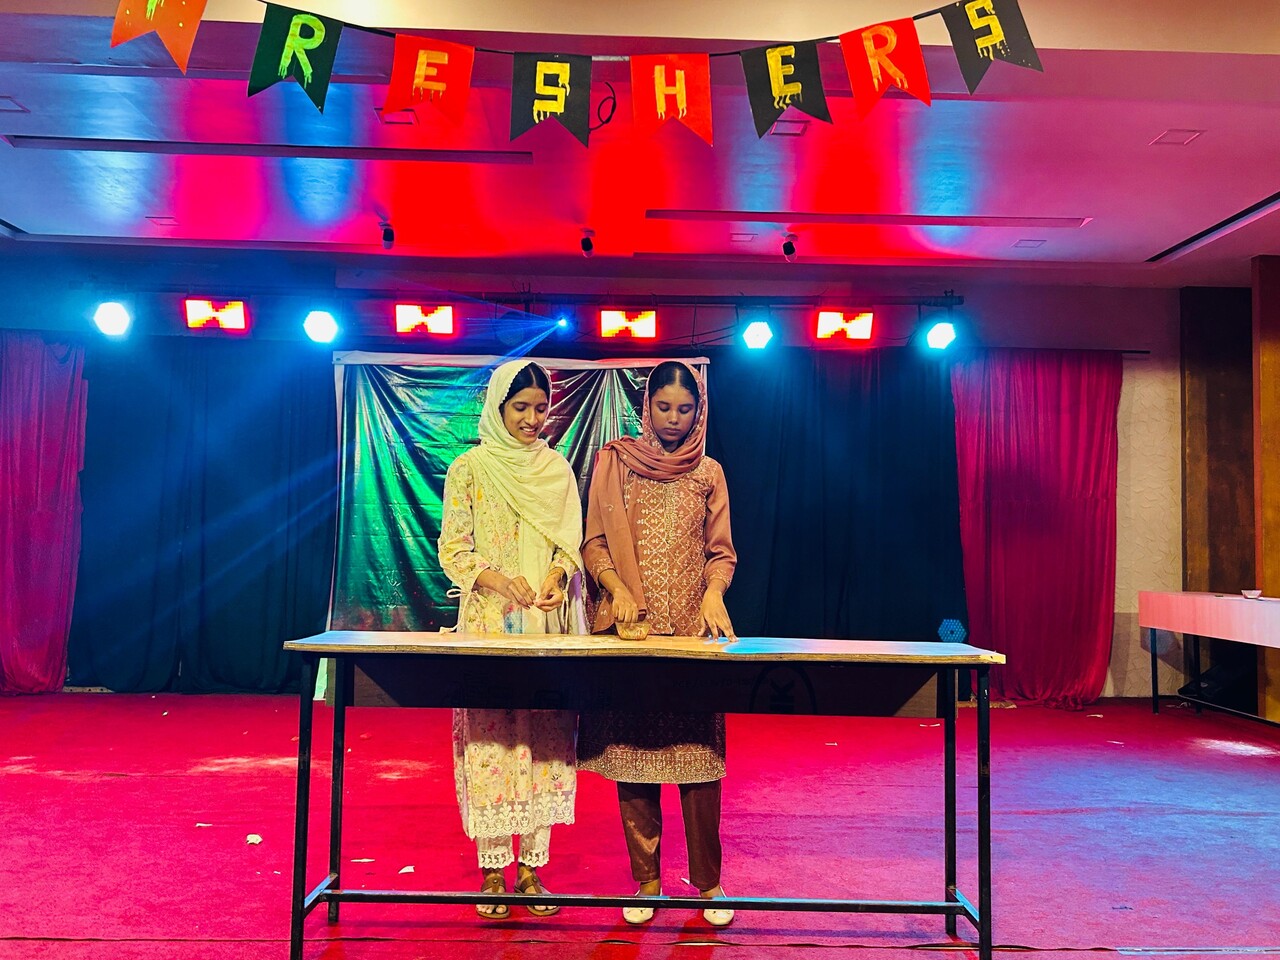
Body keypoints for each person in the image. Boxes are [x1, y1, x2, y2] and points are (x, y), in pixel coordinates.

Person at [578, 359, 737, 927]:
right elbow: (594, 543)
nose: (673, 419)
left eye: (685, 409)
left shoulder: (709, 473)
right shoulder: (616, 464)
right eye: (664, 407)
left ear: (699, 411)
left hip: (693, 636)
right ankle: (646, 881)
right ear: (646, 406)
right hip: (633, 633)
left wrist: (714, 593)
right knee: (636, 757)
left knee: (699, 761)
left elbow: (721, 552)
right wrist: (616, 587)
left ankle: (708, 884)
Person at [438, 359, 588, 919]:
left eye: (540, 408)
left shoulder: (556, 470)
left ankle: (531, 869)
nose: (531, 418)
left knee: (545, 737)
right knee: (492, 740)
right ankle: (493, 869)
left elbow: (569, 545)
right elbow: (453, 549)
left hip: (546, 627)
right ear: (498, 407)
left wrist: (557, 578)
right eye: (520, 407)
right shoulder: (470, 469)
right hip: (489, 624)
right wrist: (499, 581)